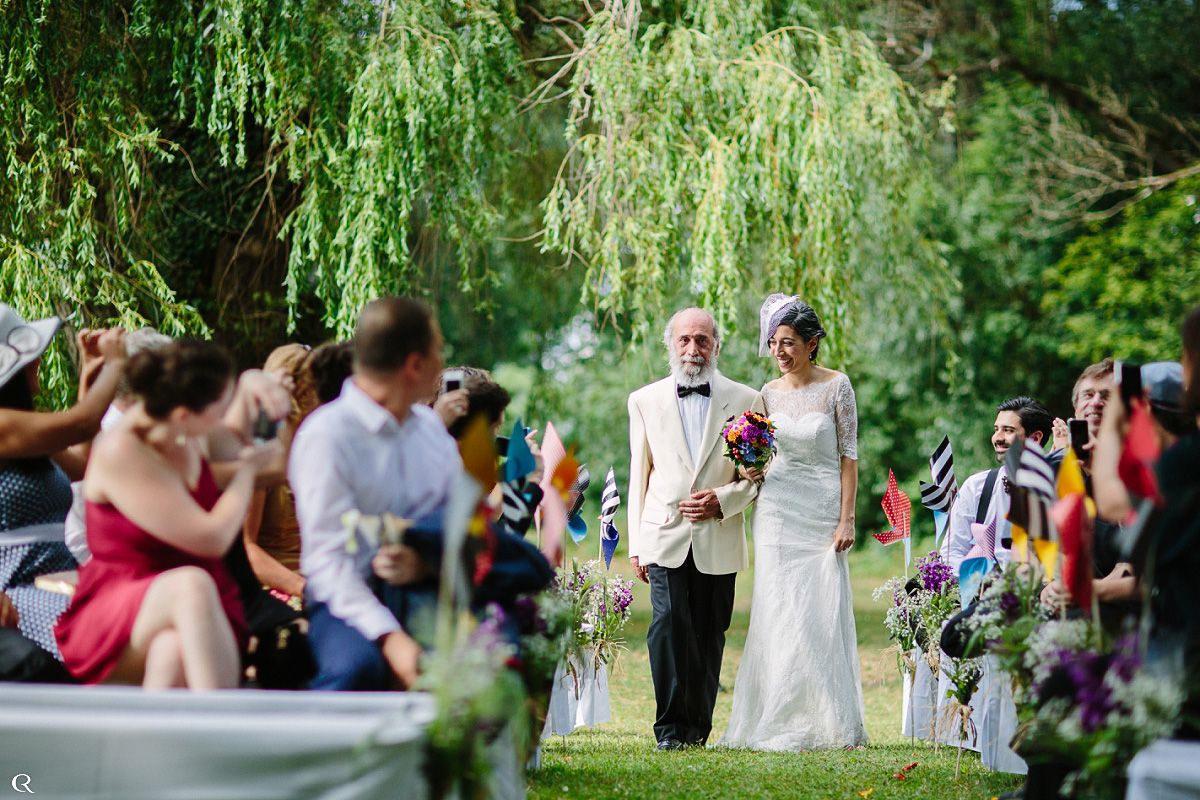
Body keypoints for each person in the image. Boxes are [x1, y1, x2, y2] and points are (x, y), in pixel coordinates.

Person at [54, 340, 284, 688]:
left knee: (172, 652)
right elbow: (212, 539)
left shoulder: (189, 434)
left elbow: (279, 460)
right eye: (221, 408)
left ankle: (160, 740)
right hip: (122, 604)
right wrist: (246, 473)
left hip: (199, 601)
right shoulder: (121, 450)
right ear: (183, 415)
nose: (225, 416)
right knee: (191, 584)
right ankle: (224, 728)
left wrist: (258, 386)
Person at [718, 295, 867, 751]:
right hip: (777, 511)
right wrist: (747, 467)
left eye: (789, 342)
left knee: (820, 608)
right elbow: (756, 449)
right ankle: (776, 712)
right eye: (774, 343)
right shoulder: (767, 391)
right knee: (779, 606)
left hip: (822, 512)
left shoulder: (838, 387)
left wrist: (847, 519)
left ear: (812, 342)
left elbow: (849, 458)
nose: (780, 352)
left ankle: (829, 717)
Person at [290, 297, 462, 691]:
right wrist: (390, 637)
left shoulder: (431, 432)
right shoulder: (327, 435)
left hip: (425, 586)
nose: (442, 363)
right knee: (355, 670)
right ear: (414, 365)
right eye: (438, 350)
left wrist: (425, 562)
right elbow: (326, 561)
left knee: (484, 662)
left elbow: (459, 520)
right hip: (345, 597)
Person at [627, 307, 762, 751]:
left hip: (718, 537)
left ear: (716, 346)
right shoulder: (643, 400)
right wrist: (636, 545)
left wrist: (721, 502)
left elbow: (757, 477)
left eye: (702, 340)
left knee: (708, 631)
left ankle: (697, 729)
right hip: (663, 532)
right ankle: (669, 729)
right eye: (684, 340)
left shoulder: (747, 400)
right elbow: (639, 473)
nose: (693, 349)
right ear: (671, 345)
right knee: (666, 624)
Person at [0, 303, 128, 658]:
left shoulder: (24, 429)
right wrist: (117, 364)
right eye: (33, 356)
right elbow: (82, 423)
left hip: (60, 579)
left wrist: (88, 377)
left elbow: (81, 465)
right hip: (15, 589)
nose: (38, 362)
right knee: (108, 634)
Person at [940, 396, 1054, 571]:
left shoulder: (1056, 488)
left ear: (1035, 438)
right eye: (996, 429)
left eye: (1008, 430)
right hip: (982, 593)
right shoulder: (976, 486)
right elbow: (952, 552)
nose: (997, 438)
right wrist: (979, 581)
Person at [242, 343, 318, 598]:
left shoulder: (320, 443)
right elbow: (246, 549)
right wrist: (304, 590)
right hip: (278, 588)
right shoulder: (259, 449)